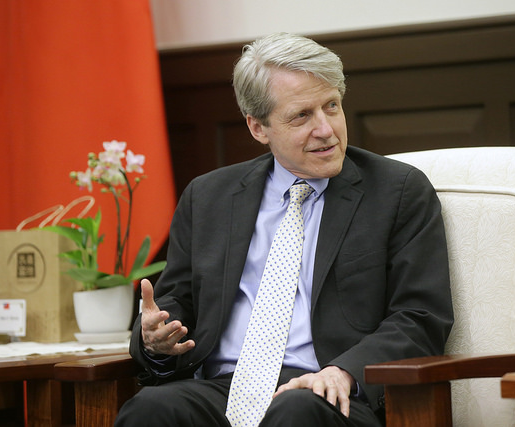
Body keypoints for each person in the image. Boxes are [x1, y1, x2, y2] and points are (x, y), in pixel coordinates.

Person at [115, 32, 453, 427]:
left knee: (296, 412)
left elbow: (419, 316)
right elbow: (176, 302)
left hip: (328, 393)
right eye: (302, 116)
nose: (326, 129)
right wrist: (154, 338)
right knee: (151, 409)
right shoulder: (208, 197)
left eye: (331, 106)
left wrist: (344, 372)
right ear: (258, 127)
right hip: (225, 388)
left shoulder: (397, 191)